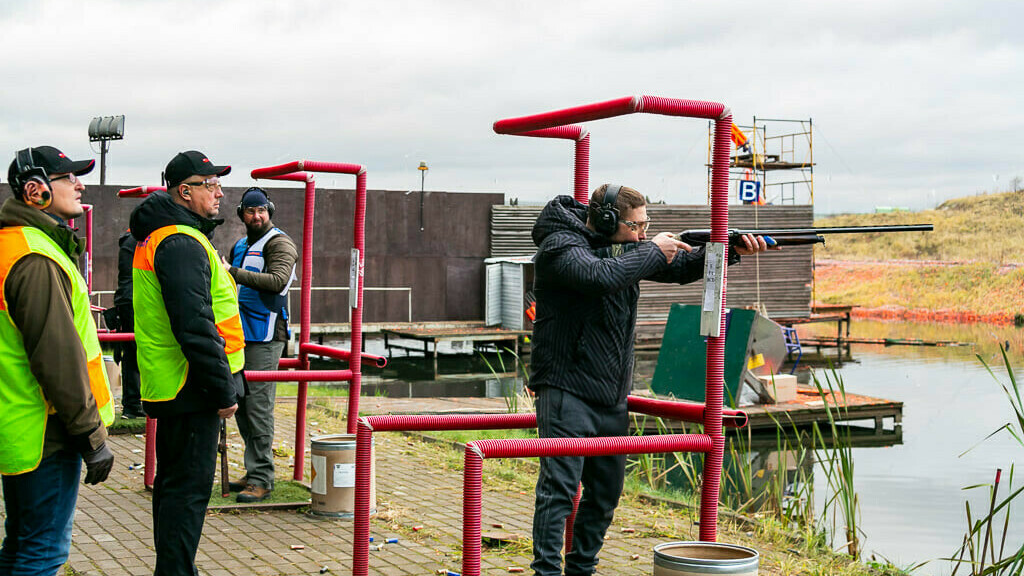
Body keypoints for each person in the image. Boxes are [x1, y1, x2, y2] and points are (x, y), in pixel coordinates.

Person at [527, 184, 773, 576]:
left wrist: (730, 252)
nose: (642, 234)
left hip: (610, 392)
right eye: (635, 226)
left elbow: (676, 269)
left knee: (606, 494)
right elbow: (598, 275)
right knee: (558, 491)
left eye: (646, 226)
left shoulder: (627, 249)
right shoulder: (560, 246)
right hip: (566, 387)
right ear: (607, 220)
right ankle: (546, 573)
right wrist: (653, 249)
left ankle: (581, 570)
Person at [0, 146, 115, 574]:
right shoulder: (35, 257)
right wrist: (92, 437)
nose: (80, 185)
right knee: (42, 552)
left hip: (20, 424)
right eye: (68, 178)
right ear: (36, 191)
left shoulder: (12, 246)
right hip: (46, 430)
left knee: (22, 543)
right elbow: (59, 359)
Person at [130, 150, 245, 576]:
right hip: (191, 387)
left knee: (175, 486)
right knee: (187, 492)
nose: (219, 192)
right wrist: (222, 389)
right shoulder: (180, 241)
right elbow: (195, 325)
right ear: (185, 191)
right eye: (210, 184)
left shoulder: (170, 237)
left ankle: (175, 570)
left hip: (180, 384)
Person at [222, 187, 297, 503]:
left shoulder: (280, 243)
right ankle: (254, 471)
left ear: (270, 211)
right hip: (240, 336)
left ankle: (263, 478)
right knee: (241, 405)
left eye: (261, 211)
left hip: (266, 337)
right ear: (242, 214)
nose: (257, 216)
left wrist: (233, 273)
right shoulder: (240, 244)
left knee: (259, 408)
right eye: (251, 211)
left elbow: (278, 280)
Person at [110, 228, 144, 419]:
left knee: (131, 353)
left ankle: (132, 403)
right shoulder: (140, 240)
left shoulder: (128, 240)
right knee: (136, 352)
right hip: (134, 301)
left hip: (126, 301)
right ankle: (134, 403)